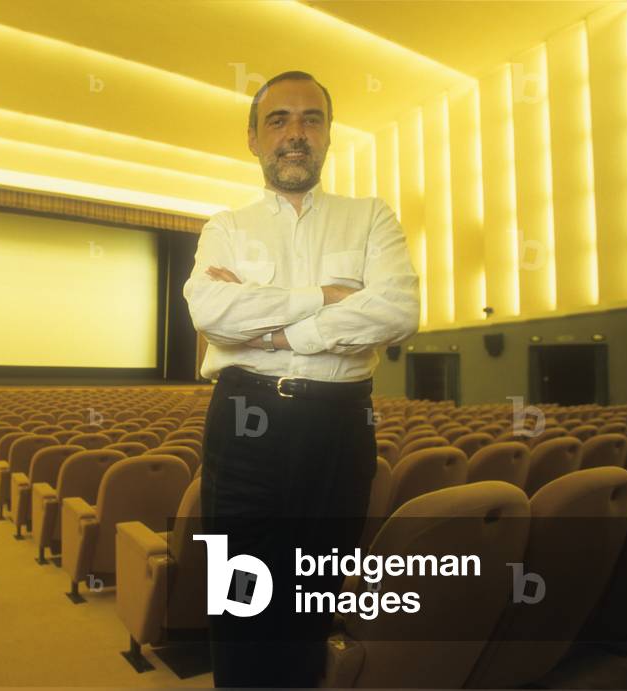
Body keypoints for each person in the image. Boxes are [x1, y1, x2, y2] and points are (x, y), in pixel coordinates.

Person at [182, 70, 420, 687]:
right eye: (278, 120)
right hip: (243, 427)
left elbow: (397, 312)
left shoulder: (371, 217)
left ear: (329, 136)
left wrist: (276, 330)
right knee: (237, 600)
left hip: (340, 427)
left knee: (314, 596)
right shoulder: (225, 227)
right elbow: (211, 313)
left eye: (311, 119)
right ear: (254, 140)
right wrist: (326, 296)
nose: (295, 134)